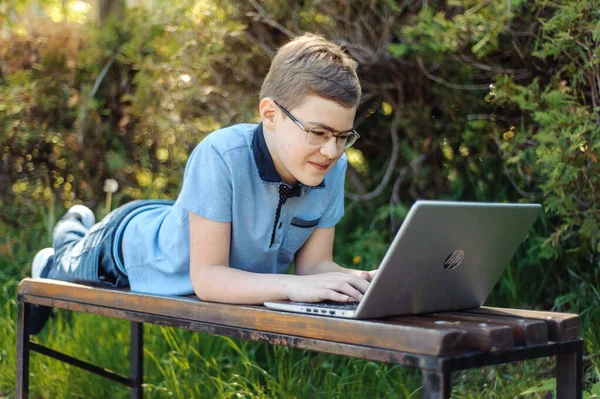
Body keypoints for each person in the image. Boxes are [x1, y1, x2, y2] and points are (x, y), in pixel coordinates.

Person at [30, 33, 376, 334]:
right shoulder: (221, 154)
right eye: (317, 132)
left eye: (342, 136)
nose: (332, 150)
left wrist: (362, 283)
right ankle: (66, 236)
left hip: (181, 226)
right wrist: (292, 285)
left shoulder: (332, 165)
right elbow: (208, 278)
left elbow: (314, 268)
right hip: (128, 250)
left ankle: (75, 228)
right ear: (270, 115)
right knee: (63, 264)